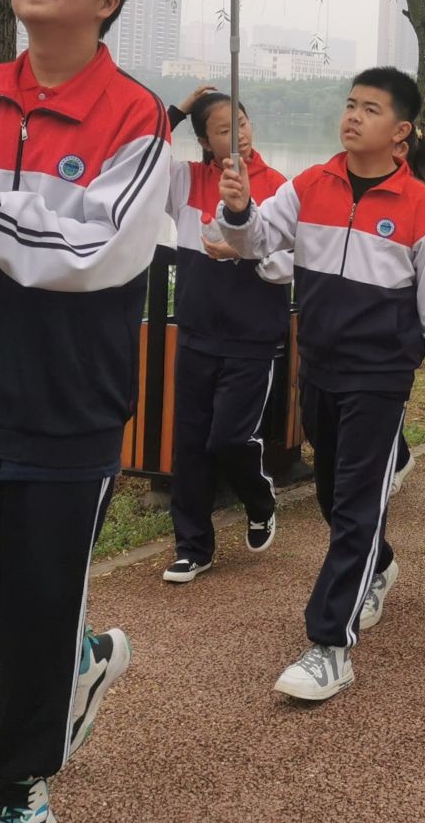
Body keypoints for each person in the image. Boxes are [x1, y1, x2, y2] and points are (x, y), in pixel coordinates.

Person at [0, 0, 169, 819]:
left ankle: (21, 783)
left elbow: (103, 246)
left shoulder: (137, 115)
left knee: (39, 592)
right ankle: (74, 661)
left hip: (70, 392)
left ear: (107, 4)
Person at [218, 67, 425, 700]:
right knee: (332, 495)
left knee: (356, 503)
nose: (353, 116)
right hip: (318, 366)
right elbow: (252, 243)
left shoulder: (419, 206)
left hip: (380, 375)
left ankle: (331, 644)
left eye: (370, 109)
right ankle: (378, 566)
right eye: (350, 105)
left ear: (401, 132)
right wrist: (238, 209)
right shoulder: (309, 185)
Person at [159, 88, 288, 584]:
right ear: (204, 143)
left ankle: (259, 497)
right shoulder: (186, 179)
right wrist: (173, 111)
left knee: (229, 438)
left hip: (251, 337)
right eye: (222, 129)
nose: (238, 135)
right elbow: (139, 153)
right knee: (189, 445)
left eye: (242, 122)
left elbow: (289, 262)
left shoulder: (278, 187)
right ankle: (193, 546)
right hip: (195, 333)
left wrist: (243, 250)